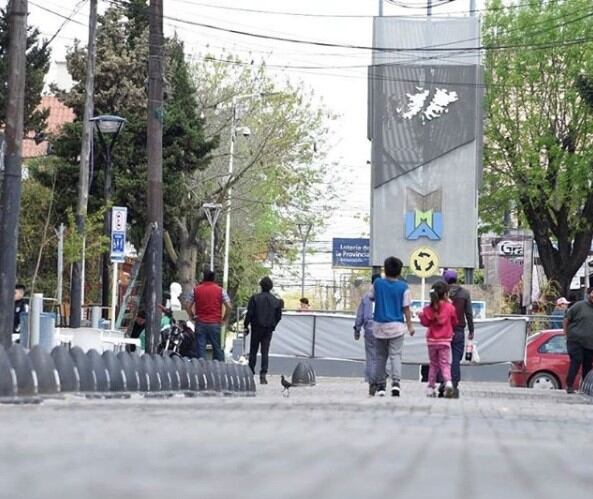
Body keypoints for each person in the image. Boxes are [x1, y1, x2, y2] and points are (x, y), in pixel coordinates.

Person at [369, 257, 415, 397]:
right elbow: (406, 308)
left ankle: (381, 386)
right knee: (395, 356)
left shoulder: (377, 283)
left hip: (379, 326)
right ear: (399, 271)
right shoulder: (403, 287)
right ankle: (396, 384)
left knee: (380, 357)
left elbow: (371, 297)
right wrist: (410, 326)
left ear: (385, 268)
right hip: (397, 326)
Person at [419, 281, 458, 398]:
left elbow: (425, 323)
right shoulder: (450, 307)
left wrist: (421, 316)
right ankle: (448, 383)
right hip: (445, 340)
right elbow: (455, 322)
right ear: (446, 294)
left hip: (431, 341)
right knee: (445, 364)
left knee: (433, 365)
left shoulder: (428, 309)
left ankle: (431, 388)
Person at [243, 277, 283, 384]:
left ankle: (251, 372)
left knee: (253, 351)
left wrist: (246, 325)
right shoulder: (275, 301)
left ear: (261, 286)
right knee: (265, 352)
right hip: (268, 329)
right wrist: (273, 325)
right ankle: (263, 375)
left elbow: (249, 313)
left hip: (256, 328)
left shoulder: (255, 298)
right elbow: (279, 316)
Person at [186, 270, 232, 361]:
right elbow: (229, 307)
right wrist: (224, 319)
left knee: (200, 349)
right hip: (215, 323)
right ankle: (219, 369)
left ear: (204, 278)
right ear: (213, 278)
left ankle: (201, 370)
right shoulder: (220, 290)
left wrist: (192, 316)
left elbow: (187, 306)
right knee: (217, 348)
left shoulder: (195, 290)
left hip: (200, 322)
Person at [442, 269, 475, 398]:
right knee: (456, 359)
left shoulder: (442, 293)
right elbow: (469, 313)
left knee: (443, 358)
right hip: (459, 330)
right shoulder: (465, 293)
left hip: (443, 330)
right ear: (456, 278)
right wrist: (471, 330)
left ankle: (443, 382)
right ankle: (454, 384)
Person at [354, 274, 380, 395]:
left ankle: (371, 381)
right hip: (382, 328)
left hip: (369, 328)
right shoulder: (384, 296)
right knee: (382, 356)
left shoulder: (365, 298)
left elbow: (360, 315)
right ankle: (380, 380)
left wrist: (357, 329)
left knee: (370, 356)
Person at [563, 287, 593, 393]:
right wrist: (566, 334)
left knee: (588, 365)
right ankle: (569, 385)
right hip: (575, 341)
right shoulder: (579, 306)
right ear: (589, 294)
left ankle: (585, 388)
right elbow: (567, 319)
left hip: (590, 344)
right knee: (577, 360)